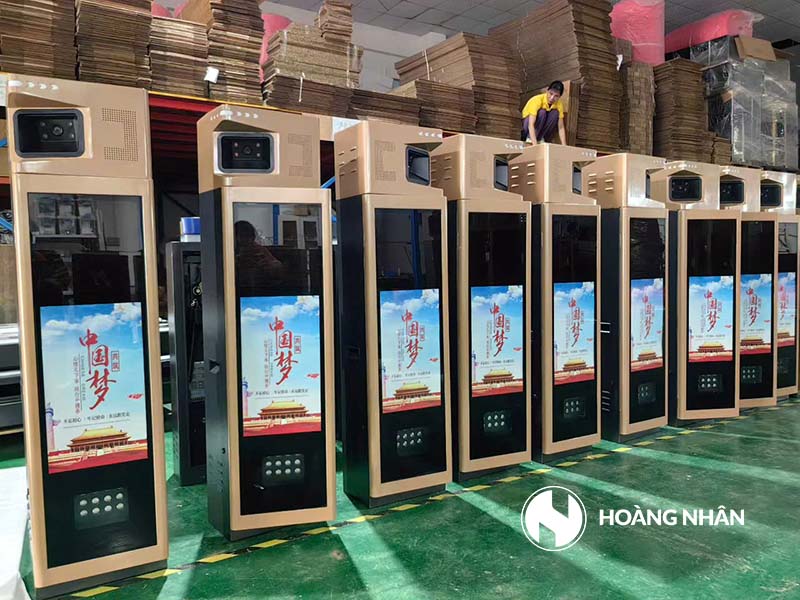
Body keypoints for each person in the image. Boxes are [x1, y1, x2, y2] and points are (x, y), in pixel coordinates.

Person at [521, 81, 567, 145]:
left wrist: (564, 146)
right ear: (547, 91)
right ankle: (530, 138)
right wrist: (535, 145)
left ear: (559, 97)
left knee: (555, 113)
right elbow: (531, 124)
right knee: (542, 112)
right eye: (551, 94)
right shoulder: (537, 100)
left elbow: (561, 127)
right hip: (527, 127)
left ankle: (540, 138)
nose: (552, 98)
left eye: (556, 96)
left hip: (540, 132)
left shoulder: (559, 105)